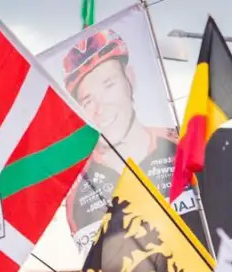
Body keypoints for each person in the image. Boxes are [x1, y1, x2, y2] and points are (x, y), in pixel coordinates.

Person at [60, 29, 180, 253]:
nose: (101, 108)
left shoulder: (179, 146)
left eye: (109, 85)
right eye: (87, 100)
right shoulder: (78, 192)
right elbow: (94, 270)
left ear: (130, 79)